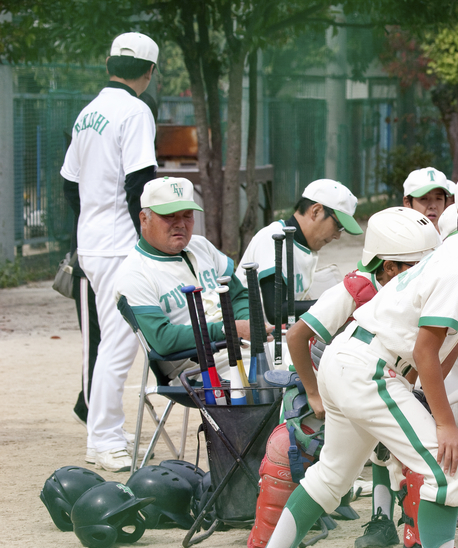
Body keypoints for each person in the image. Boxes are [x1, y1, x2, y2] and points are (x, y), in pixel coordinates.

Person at [238, 159, 458, 548]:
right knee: (445, 474)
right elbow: (425, 351)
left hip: (354, 363)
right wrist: (444, 423)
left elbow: (443, 348)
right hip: (370, 368)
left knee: (332, 477)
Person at [244, 207, 440, 548]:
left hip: (387, 386)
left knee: (418, 455)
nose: (426, 273)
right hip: (326, 383)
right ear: (387, 266)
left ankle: (416, 543)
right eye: (415, 264)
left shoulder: (427, 294)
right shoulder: (356, 289)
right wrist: (314, 391)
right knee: (284, 452)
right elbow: (298, 337)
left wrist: (406, 391)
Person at [60, 32, 160, 472]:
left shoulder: (88, 112)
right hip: (121, 246)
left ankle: (107, 431)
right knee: (118, 347)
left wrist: (93, 221)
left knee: (109, 344)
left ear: (108, 63)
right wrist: (146, 238)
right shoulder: (135, 110)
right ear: (150, 72)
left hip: (92, 243)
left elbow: (69, 184)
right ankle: (102, 439)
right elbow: (141, 182)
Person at [114, 177, 252, 383]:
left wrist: (248, 323)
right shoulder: (134, 273)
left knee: (305, 361)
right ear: (144, 218)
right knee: (280, 383)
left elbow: (238, 294)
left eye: (187, 215)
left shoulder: (201, 246)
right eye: (169, 216)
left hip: (240, 348)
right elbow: (162, 339)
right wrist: (227, 330)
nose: (180, 224)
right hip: (198, 367)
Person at [237, 179, 362, 332]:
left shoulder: (303, 246)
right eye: (338, 226)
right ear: (315, 211)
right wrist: (339, 301)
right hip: (247, 341)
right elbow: (276, 312)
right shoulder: (274, 238)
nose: (337, 236)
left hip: (273, 336)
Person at [402, 167, 452, 232]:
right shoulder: (396, 238)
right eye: (424, 198)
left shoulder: (450, 240)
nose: (433, 206)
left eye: (439, 198)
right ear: (407, 203)